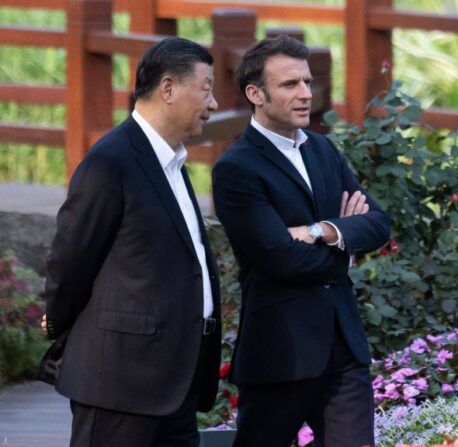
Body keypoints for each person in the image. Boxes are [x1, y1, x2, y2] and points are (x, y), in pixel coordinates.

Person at [41, 36, 222, 447]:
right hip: (120, 383)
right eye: (207, 87)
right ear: (169, 88)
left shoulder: (173, 162)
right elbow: (70, 259)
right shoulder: (110, 162)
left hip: (176, 382)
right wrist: (57, 319)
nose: (213, 103)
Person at [212, 35, 390, 447]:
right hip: (280, 351)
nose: (306, 94)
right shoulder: (236, 168)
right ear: (256, 94)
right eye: (290, 85)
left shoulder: (323, 150)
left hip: (344, 349)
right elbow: (279, 258)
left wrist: (321, 231)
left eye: (308, 82)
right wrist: (345, 252)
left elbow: (378, 224)